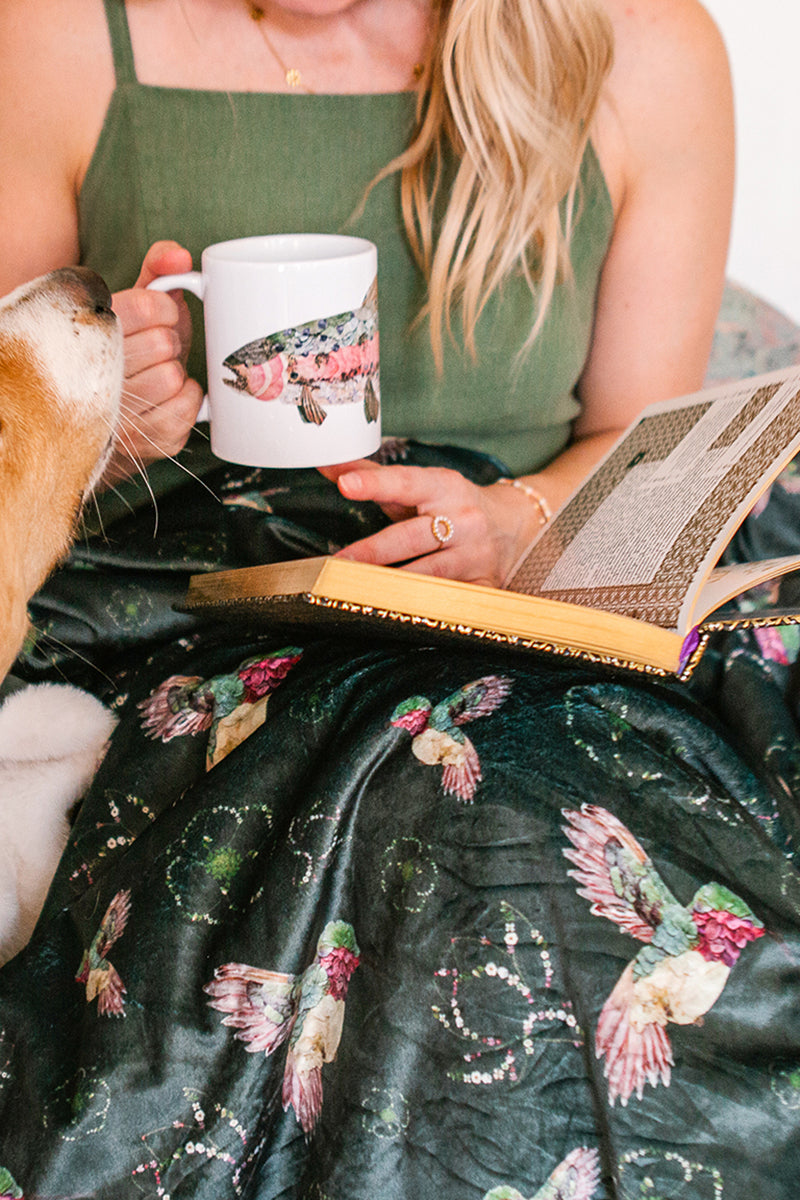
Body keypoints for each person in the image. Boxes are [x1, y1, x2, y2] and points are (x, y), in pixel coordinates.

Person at [0, 1, 798, 1197]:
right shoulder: (50, 33)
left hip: (504, 601)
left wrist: (515, 518)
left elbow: (638, 447)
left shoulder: (646, 48)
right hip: (172, 599)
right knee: (460, 820)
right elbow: (13, 431)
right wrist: (115, 428)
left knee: (578, 832)